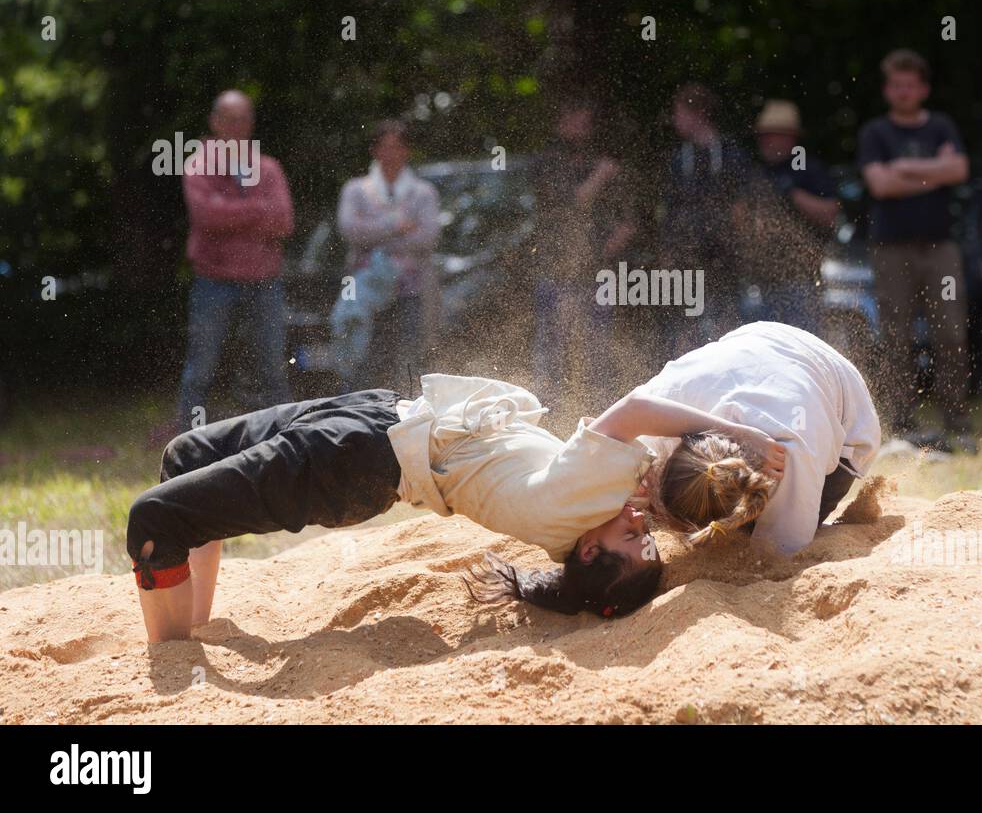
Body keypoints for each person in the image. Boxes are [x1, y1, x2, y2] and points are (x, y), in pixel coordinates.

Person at [126, 373, 785, 643]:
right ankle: (195, 630)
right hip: (375, 417)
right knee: (186, 457)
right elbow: (674, 483)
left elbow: (638, 410)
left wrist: (749, 442)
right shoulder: (595, 504)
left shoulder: (577, 502)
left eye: (633, 542)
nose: (642, 526)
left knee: (153, 522)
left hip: (353, 461)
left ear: (588, 551)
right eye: (649, 537)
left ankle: (170, 652)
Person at [636, 321, 881, 555]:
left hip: (844, 408)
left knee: (758, 538)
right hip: (758, 346)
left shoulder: (793, 458)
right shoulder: (664, 400)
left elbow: (784, 550)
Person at [856, 49, 974, 451]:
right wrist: (933, 173)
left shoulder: (941, 125)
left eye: (911, 84)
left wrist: (904, 168)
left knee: (951, 333)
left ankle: (957, 422)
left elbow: (959, 170)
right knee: (895, 337)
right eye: (896, 85)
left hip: (940, 247)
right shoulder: (875, 132)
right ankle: (901, 425)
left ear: (923, 88)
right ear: (888, 89)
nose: (903, 92)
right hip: (891, 250)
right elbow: (880, 186)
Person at [175, 90, 294, 433]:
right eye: (229, 119)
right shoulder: (199, 164)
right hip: (214, 280)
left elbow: (284, 221)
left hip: (264, 281)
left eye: (242, 119)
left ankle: (288, 438)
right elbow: (206, 216)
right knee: (202, 367)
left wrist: (232, 215)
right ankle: (188, 440)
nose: (236, 126)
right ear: (214, 121)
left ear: (251, 124)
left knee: (272, 368)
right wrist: (258, 210)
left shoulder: (268, 167)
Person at [527, 99, 637, 406]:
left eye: (588, 119)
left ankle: (598, 411)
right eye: (579, 117)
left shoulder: (595, 161)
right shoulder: (548, 162)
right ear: (563, 120)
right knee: (552, 352)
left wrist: (617, 238)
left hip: (596, 274)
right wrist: (601, 175)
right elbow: (573, 203)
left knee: (598, 352)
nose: (584, 125)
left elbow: (626, 216)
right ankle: (548, 410)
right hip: (556, 273)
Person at [335, 120, 441, 390]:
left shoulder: (423, 192)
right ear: (375, 150)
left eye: (397, 147)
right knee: (363, 362)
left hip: (411, 292)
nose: (391, 153)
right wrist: (395, 225)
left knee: (408, 363)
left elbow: (427, 237)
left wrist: (375, 236)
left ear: (407, 151)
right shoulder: (356, 190)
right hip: (364, 293)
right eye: (385, 146)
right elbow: (350, 230)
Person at [659, 83, 752, 355]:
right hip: (686, 259)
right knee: (685, 330)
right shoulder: (680, 159)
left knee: (726, 329)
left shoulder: (731, 155)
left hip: (724, 259)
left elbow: (741, 207)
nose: (675, 120)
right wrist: (668, 251)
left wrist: (738, 246)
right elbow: (670, 210)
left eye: (679, 112)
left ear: (698, 113)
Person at [738, 99, 840, 334]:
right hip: (762, 279)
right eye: (763, 135)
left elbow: (830, 213)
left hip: (801, 279)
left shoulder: (806, 168)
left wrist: (792, 193)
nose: (765, 141)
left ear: (790, 138)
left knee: (803, 342)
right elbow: (741, 217)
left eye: (772, 135)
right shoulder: (757, 172)